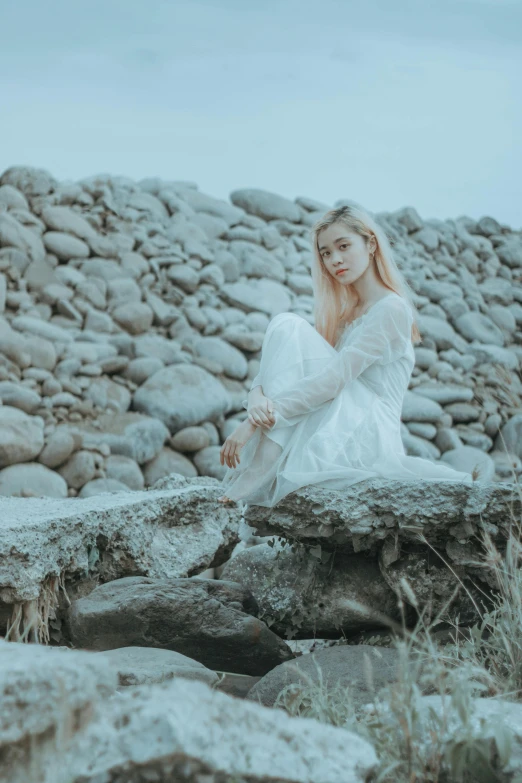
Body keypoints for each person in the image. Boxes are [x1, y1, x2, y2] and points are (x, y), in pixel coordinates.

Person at [217, 203, 475, 508]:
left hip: (367, 428)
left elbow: (332, 381)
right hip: (341, 411)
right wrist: (256, 397)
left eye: (343, 246)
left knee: (289, 325)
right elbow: (295, 368)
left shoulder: (390, 309)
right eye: (325, 253)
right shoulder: (346, 312)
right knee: (286, 328)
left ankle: (257, 472)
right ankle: (259, 471)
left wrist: (254, 423)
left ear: (371, 244)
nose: (334, 260)